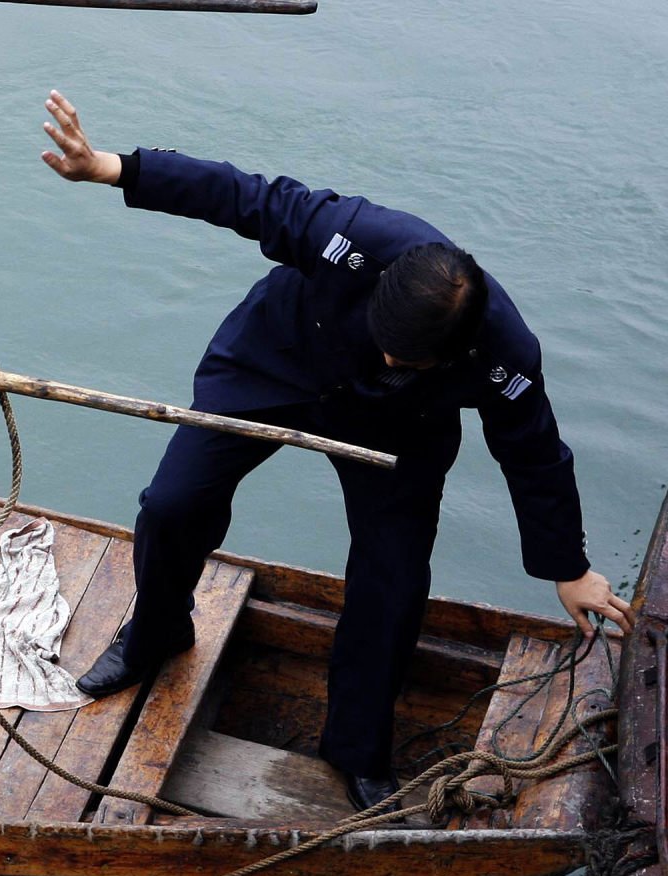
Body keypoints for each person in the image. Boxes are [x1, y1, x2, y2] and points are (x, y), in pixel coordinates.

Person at [36, 91, 633, 809]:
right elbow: (241, 196)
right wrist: (111, 168)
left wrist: (568, 567)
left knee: (394, 579)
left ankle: (355, 747)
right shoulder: (350, 234)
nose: (387, 351)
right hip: (280, 361)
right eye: (385, 337)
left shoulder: (505, 354)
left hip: (400, 427)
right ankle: (156, 633)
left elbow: (533, 452)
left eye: (403, 354)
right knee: (172, 502)